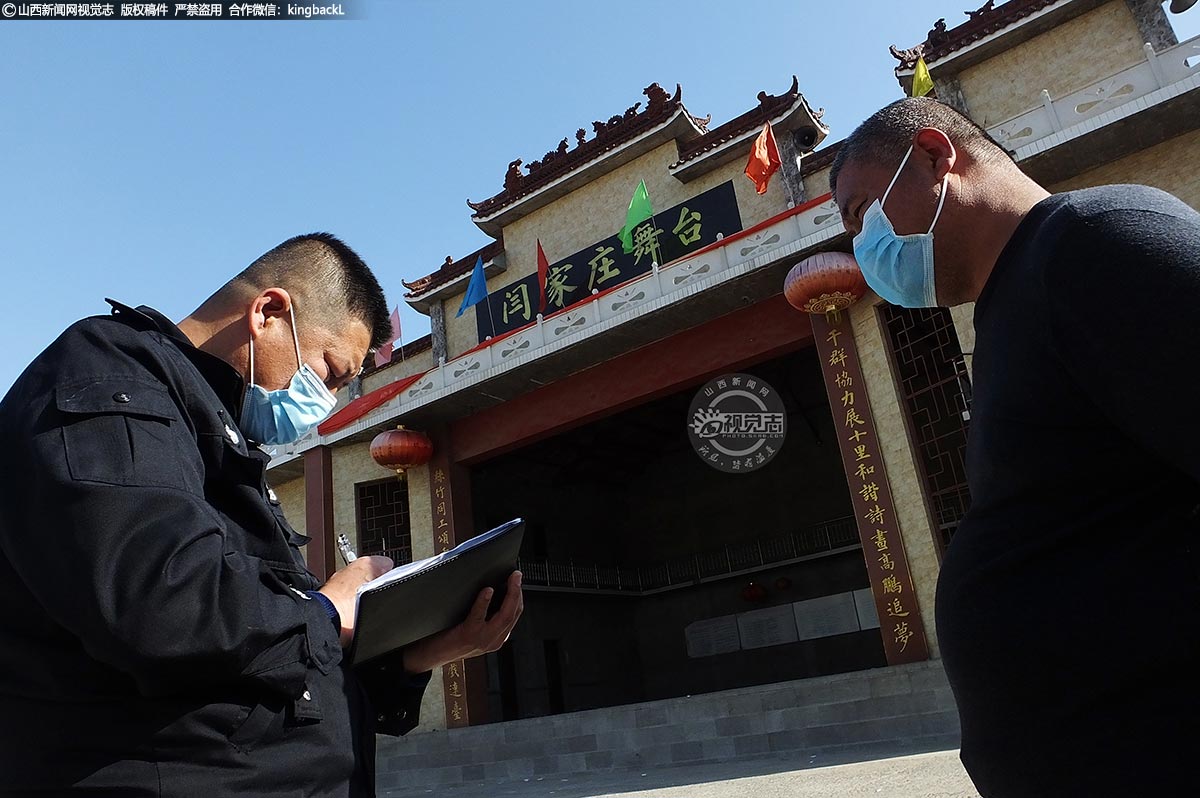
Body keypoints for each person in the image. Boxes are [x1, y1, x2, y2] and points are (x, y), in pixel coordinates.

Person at [0, 233, 523, 797]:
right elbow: (164, 606)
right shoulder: (113, 374)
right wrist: (328, 609)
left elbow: (262, 676)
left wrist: (417, 657)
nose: (326, 402)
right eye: (328, 373)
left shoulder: (215, 434)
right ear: (269, 312)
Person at [829, 98, 1200, 797]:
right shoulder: (1015, 304)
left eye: (861, 215)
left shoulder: (1098, 242)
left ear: (938, 158)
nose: (863, 246)